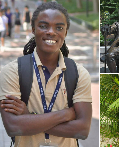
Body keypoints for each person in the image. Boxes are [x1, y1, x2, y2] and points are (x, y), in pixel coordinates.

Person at [0, 2, 92, 147]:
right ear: (33, 29)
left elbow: (82, 130)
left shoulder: (79, 73)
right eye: (43, 26)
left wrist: (28, 118)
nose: (51, 32)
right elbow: (13, 127)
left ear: (66, 32)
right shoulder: (12, 71)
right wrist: (65, 115)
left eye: (59, 27)